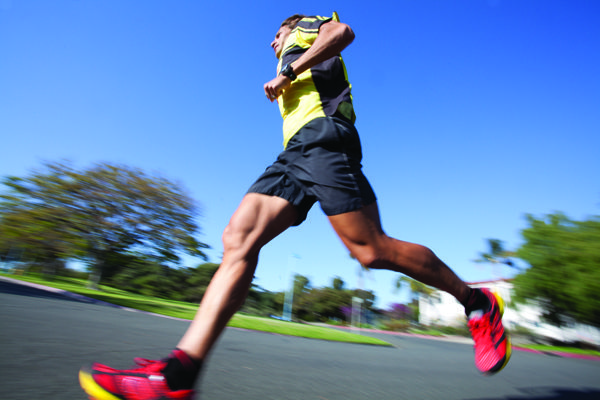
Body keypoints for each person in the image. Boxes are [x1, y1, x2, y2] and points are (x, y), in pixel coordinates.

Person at [79, 13, 511, 400]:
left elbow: (343, 33)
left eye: (275, 34)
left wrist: (291, 64)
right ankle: (177, 376)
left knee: (370, 251)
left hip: (325, 137)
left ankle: (477, 302)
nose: (272, 42)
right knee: (237, 239)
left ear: (290, 27)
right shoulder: (290, 56)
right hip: (295, 153)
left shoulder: (306, 28)